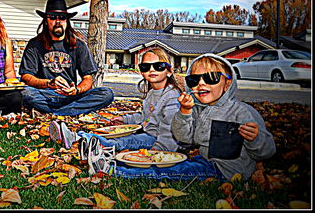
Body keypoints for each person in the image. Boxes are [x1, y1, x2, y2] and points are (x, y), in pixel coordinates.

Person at [50, 48, 182, 174]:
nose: (151, 70)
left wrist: (159, 151)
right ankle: (88, 145)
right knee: (121, 138)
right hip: (149, 134)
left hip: (159, 140)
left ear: (169, 71)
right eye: (146, 67)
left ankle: (78, 138)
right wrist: (124, 119)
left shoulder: (172, 96)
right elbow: (144, 116)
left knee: (125, 141)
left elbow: (170, 129)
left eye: (158, 66)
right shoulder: (152, 93)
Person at [170, 53, 276, 181]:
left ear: (227, 84)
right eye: (194, 79)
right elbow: (184, 138)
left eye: (211, 77)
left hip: (226, 170)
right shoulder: (198, 109)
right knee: (175, 163)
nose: (201, 83)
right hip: (203, 160)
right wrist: (185, 112)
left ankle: (140, 172)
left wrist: (255, 138)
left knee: (173, 171)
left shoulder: (242, 112)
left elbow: (267, 152)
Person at [19, 0, 114, 116]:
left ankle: (54, 114)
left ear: (67, 21)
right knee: (23, 91)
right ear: (46, 21)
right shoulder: (34, 45)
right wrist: (49, 83)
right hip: (43, 94)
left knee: (106, 93)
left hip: (70, 96)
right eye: (53, 18)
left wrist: (76, 90)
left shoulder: (78, 44)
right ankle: (68, 112)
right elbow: (26, 76)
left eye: (62, 18)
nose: (58, 22)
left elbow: (88, 79)